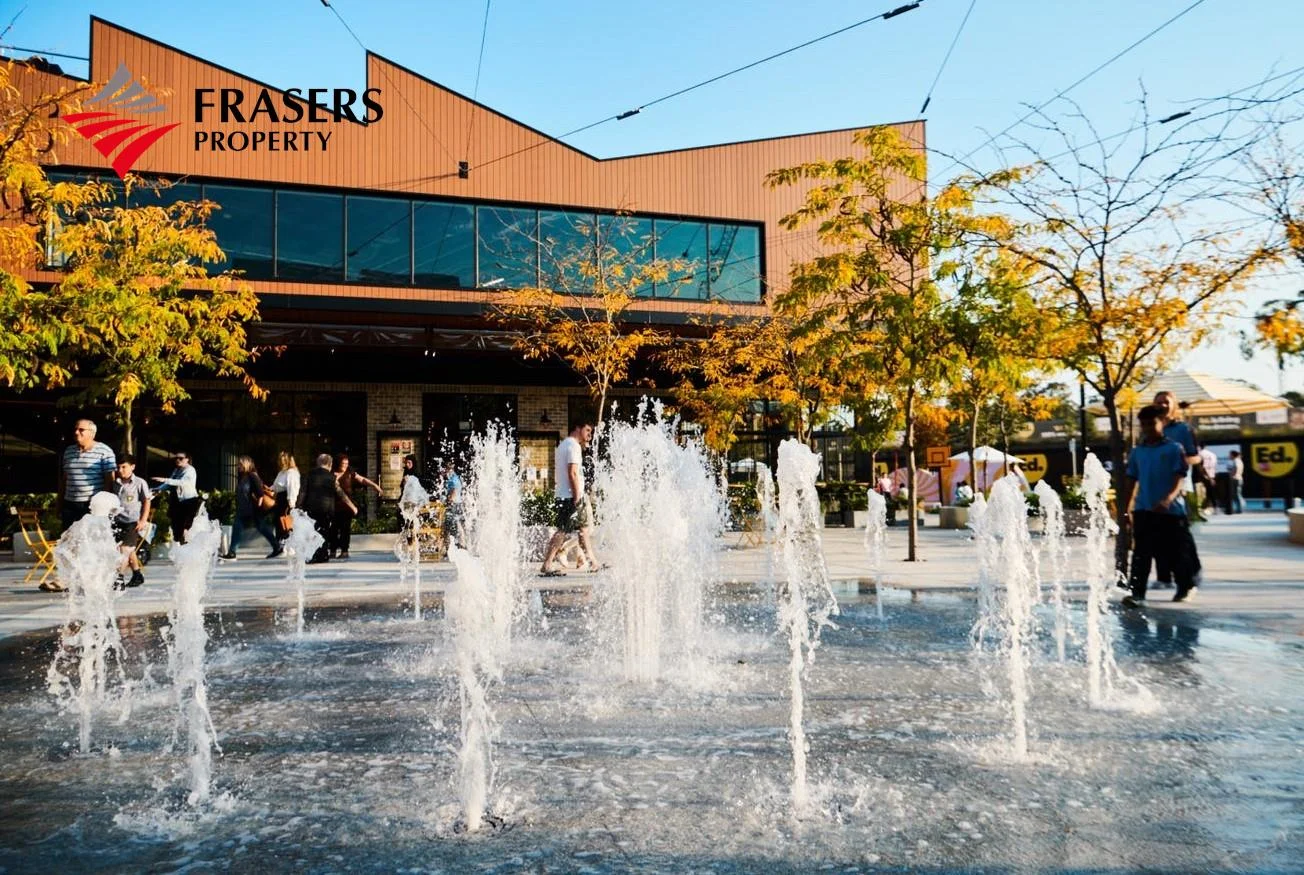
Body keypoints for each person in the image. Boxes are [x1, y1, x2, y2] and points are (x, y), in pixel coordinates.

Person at [1122, 405, 1196, 608]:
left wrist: (1168, 499)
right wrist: (1126, 509)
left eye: (1152, 423)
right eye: (1144, 424)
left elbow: (1179, 478)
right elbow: (1131, 481)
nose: (1148, 428)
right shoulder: (1137, 452)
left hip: (1171, 511)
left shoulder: (1174, 449)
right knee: (1141, 553)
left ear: (1162, 422)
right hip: (1144, 509)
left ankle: (1185, 587)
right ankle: (1137, 593)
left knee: (1175, 552)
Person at [1152, 391, 1202, 587]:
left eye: (1166, 402)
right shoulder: (1150, 428)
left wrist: (1179, 461)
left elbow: (1196, 457)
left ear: (1173, 405)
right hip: (1154, 485)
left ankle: (1193, 571)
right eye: (1158, 402)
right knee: (1157, 533)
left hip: (1178, 485)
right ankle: (1163, 576)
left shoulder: (1183, 429)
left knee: (1179, 532)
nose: (1162, 405)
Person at [540, 421, 602, 576]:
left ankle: (592, 562)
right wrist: (576, 496)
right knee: (564, 530)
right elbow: (572, 473)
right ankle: (547, 564)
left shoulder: (564, 445)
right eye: (587, 430)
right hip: (571, 496)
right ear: (577, 428)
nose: (589, 435)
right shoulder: (573, 446)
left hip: (566, 494)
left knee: (582, 530)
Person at [59, 418, 116, 533]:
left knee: (90, 538)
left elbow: (109, 480)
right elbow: (64, 479)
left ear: (92, 433)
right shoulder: (69, 451)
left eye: (81, 430)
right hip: (69, 504)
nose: (76, 432)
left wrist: (103, 507)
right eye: (75, 429)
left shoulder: (105, 451)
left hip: (91, 505)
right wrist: (59, 504)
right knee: (68, 538)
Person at [299, 453, 356, 564]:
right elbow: (341, 493)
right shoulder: (331, 478)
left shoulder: (308, 475)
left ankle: (313, 554)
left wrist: (299, 505)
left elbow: (302, 492)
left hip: (311, 508)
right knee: (324, 532)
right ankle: (323, 554)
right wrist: (352, 506)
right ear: (329, 464)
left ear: (318, 463)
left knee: (312, 531)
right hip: (326, 509)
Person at [223, 455, 279, 560]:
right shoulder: (242, 477)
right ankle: (232, 552)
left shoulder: (252, 476)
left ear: (246, 464)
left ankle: (277, 547)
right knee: (238, 528)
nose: (238, 466)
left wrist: (259, 506)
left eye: (240, 464)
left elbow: (260, 492)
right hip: (243, 509)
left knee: (262, 528)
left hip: (253, 509)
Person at [111, 454, 151, 588]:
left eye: (124, 467)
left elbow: (146, 501)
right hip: (117, 521)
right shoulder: (115, 483)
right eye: (118, 467)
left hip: (133, 522)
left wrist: (143, 520)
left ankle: (119, 579)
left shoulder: (139, 483)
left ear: (132, 467)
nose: (120, 470)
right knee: (129, 550)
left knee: (125, 549)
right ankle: (137, 574)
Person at [333, 453, 380, 559]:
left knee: (345, 529)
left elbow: (362, 479)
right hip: (334, 505)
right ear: (338, 463)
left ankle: (344, 551)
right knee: (333, 529)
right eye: (343, 464)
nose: (345, 466)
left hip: (347, 506)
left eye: (346, 464)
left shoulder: (350, 473)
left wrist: (374, 485)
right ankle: (332, 550)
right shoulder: (332, 474)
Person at [152, 451, 200, 544]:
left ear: (187, 459)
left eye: (181, 458)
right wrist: (158, 489)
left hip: (189, 501)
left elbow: (182, 482)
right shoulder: (176, 470)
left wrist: (165, 479)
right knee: (175, 526)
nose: (178, 460)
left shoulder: (190, 470)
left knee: (185, 527)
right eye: (176, 458)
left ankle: (186, 543)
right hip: (178, 501)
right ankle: (178, 544)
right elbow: (169, 484)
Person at [271, 451, 300, 545]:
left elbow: (292, 488)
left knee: (285, 524)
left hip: (285, 500)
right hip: (280, 499)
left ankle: (286, 545)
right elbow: (276, 486)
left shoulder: (291, 473)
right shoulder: (281, 473)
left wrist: (291, 503)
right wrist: (269, 490)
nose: (280, 463)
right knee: (279, 523)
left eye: (283, 461)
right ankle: (279, 545)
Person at [440, 458, 465, 550]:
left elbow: (454, 490)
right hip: (458, 504)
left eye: (445, 470)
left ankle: (449, 546)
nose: (443, 472)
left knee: (448, 526)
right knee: (457, 525)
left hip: (453, 505)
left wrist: (449, 500)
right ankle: (461, 544)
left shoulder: (452, 479)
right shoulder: (455, 477)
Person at [1197, 442, 1218, 519]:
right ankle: (1213, 507)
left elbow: (1203, 467)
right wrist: (1212, 477)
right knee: (1211, 493)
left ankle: (1206, 508)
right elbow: (1214, 466)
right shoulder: (1212, 454)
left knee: (1204, 493)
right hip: (1211, 475)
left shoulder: (1199, 454)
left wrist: (1208, 477)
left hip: (1203, 476)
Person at [1229, 449, 1245, 514]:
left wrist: (1232, 475)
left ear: (1233, 455)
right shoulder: (1238, 460)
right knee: (1236, 494)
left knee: (1237, 495)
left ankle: (1240, 509)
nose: (1229, 456)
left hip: (1236, 479)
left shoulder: (1236, 460)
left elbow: (1236, 468)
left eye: (1230, 455)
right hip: (1238, 479)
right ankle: (1239, 508)